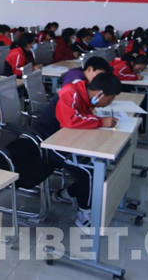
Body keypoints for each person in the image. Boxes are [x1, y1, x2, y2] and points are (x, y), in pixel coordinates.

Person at [36, 73, 122, 232]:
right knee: (88, 171)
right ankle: (84, 215)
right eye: (109, 99)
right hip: (47, 141)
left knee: (94, 165)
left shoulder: (85, 95)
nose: (109, 103)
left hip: (66, 139)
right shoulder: (70, 93)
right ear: (100, 94)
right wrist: (100, 122)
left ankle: (66, 194)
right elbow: (69, 121)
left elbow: (82, 117)